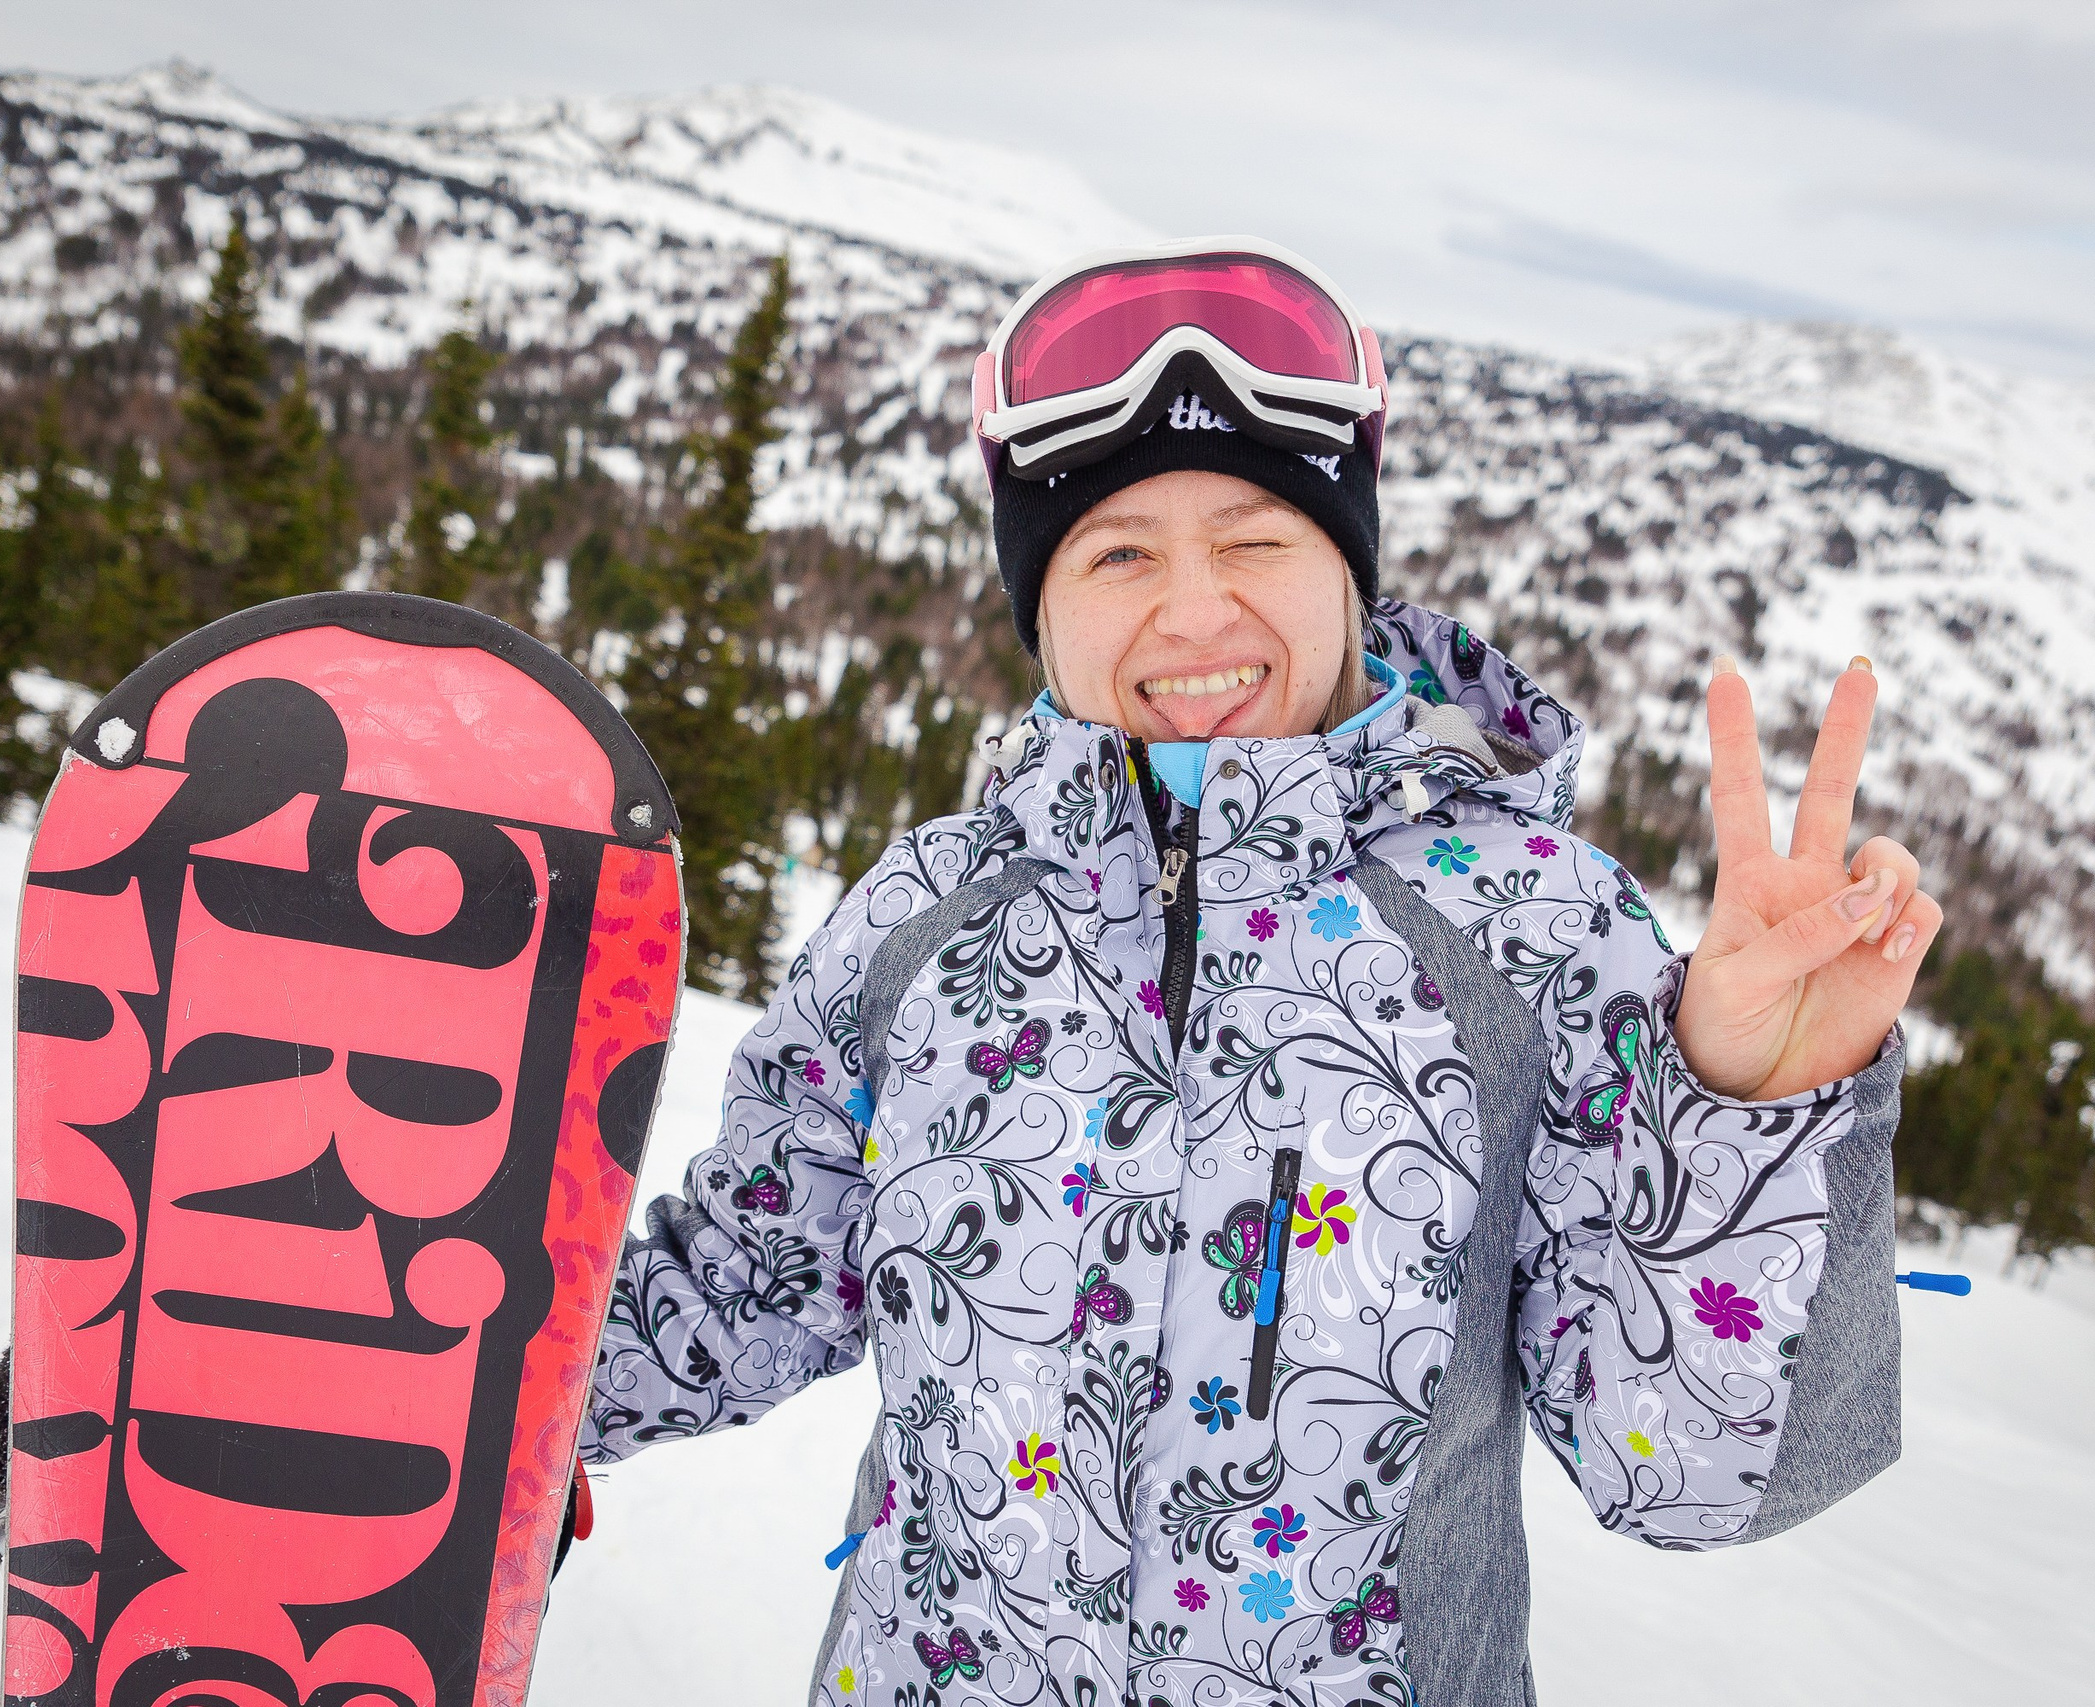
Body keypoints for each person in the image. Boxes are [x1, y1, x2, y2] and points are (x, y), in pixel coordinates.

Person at [578, 238, 1941, 1706]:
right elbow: (744, 1286)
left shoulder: (1532, 934)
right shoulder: (923, 919)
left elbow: (1685, 1475)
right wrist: (427, 1374)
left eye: (1256, 538)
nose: (1195, 611)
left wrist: (1752, 1108)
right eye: (1117, 553)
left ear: (1346, 569)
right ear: (1042, 608)